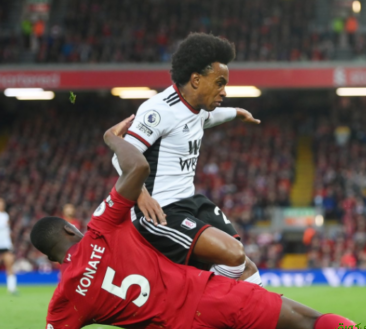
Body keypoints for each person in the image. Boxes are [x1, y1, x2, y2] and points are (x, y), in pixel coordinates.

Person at [0, 117, 364, 329]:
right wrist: (111, 138)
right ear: (69, 227)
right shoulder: (102, 229)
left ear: (50, 258)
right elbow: (139, 169)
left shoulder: (65, 299)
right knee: (309, 322)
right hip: (210, 294)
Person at [112, 33, 263, 285]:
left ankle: (256, 319)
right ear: (195, 80)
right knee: (232, 256)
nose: (224, 91)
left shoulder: (197, 109)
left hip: (191, 204)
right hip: (159, 212)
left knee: (246, 267)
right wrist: (140, 195)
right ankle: (205, 307)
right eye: (219, 83)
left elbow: (209, 118)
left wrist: (237, 113)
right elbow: (121, 157)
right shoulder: (158, 111)